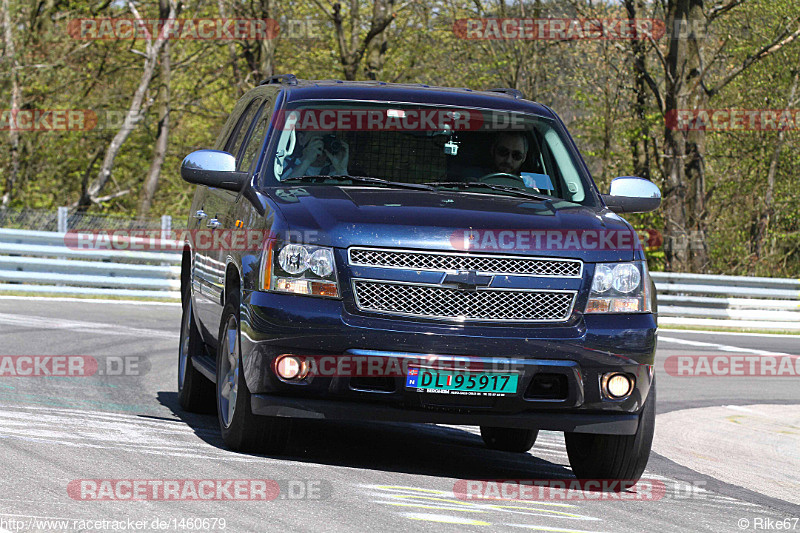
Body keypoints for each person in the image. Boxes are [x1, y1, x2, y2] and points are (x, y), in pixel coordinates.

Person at [283, 131, 349, 179]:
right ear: (301, 139)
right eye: (318, 138)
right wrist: (306, 162)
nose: (323, 143)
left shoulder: (334, 171)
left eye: (327, 138)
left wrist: (341, 170)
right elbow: (284, 192)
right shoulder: (284, 165)